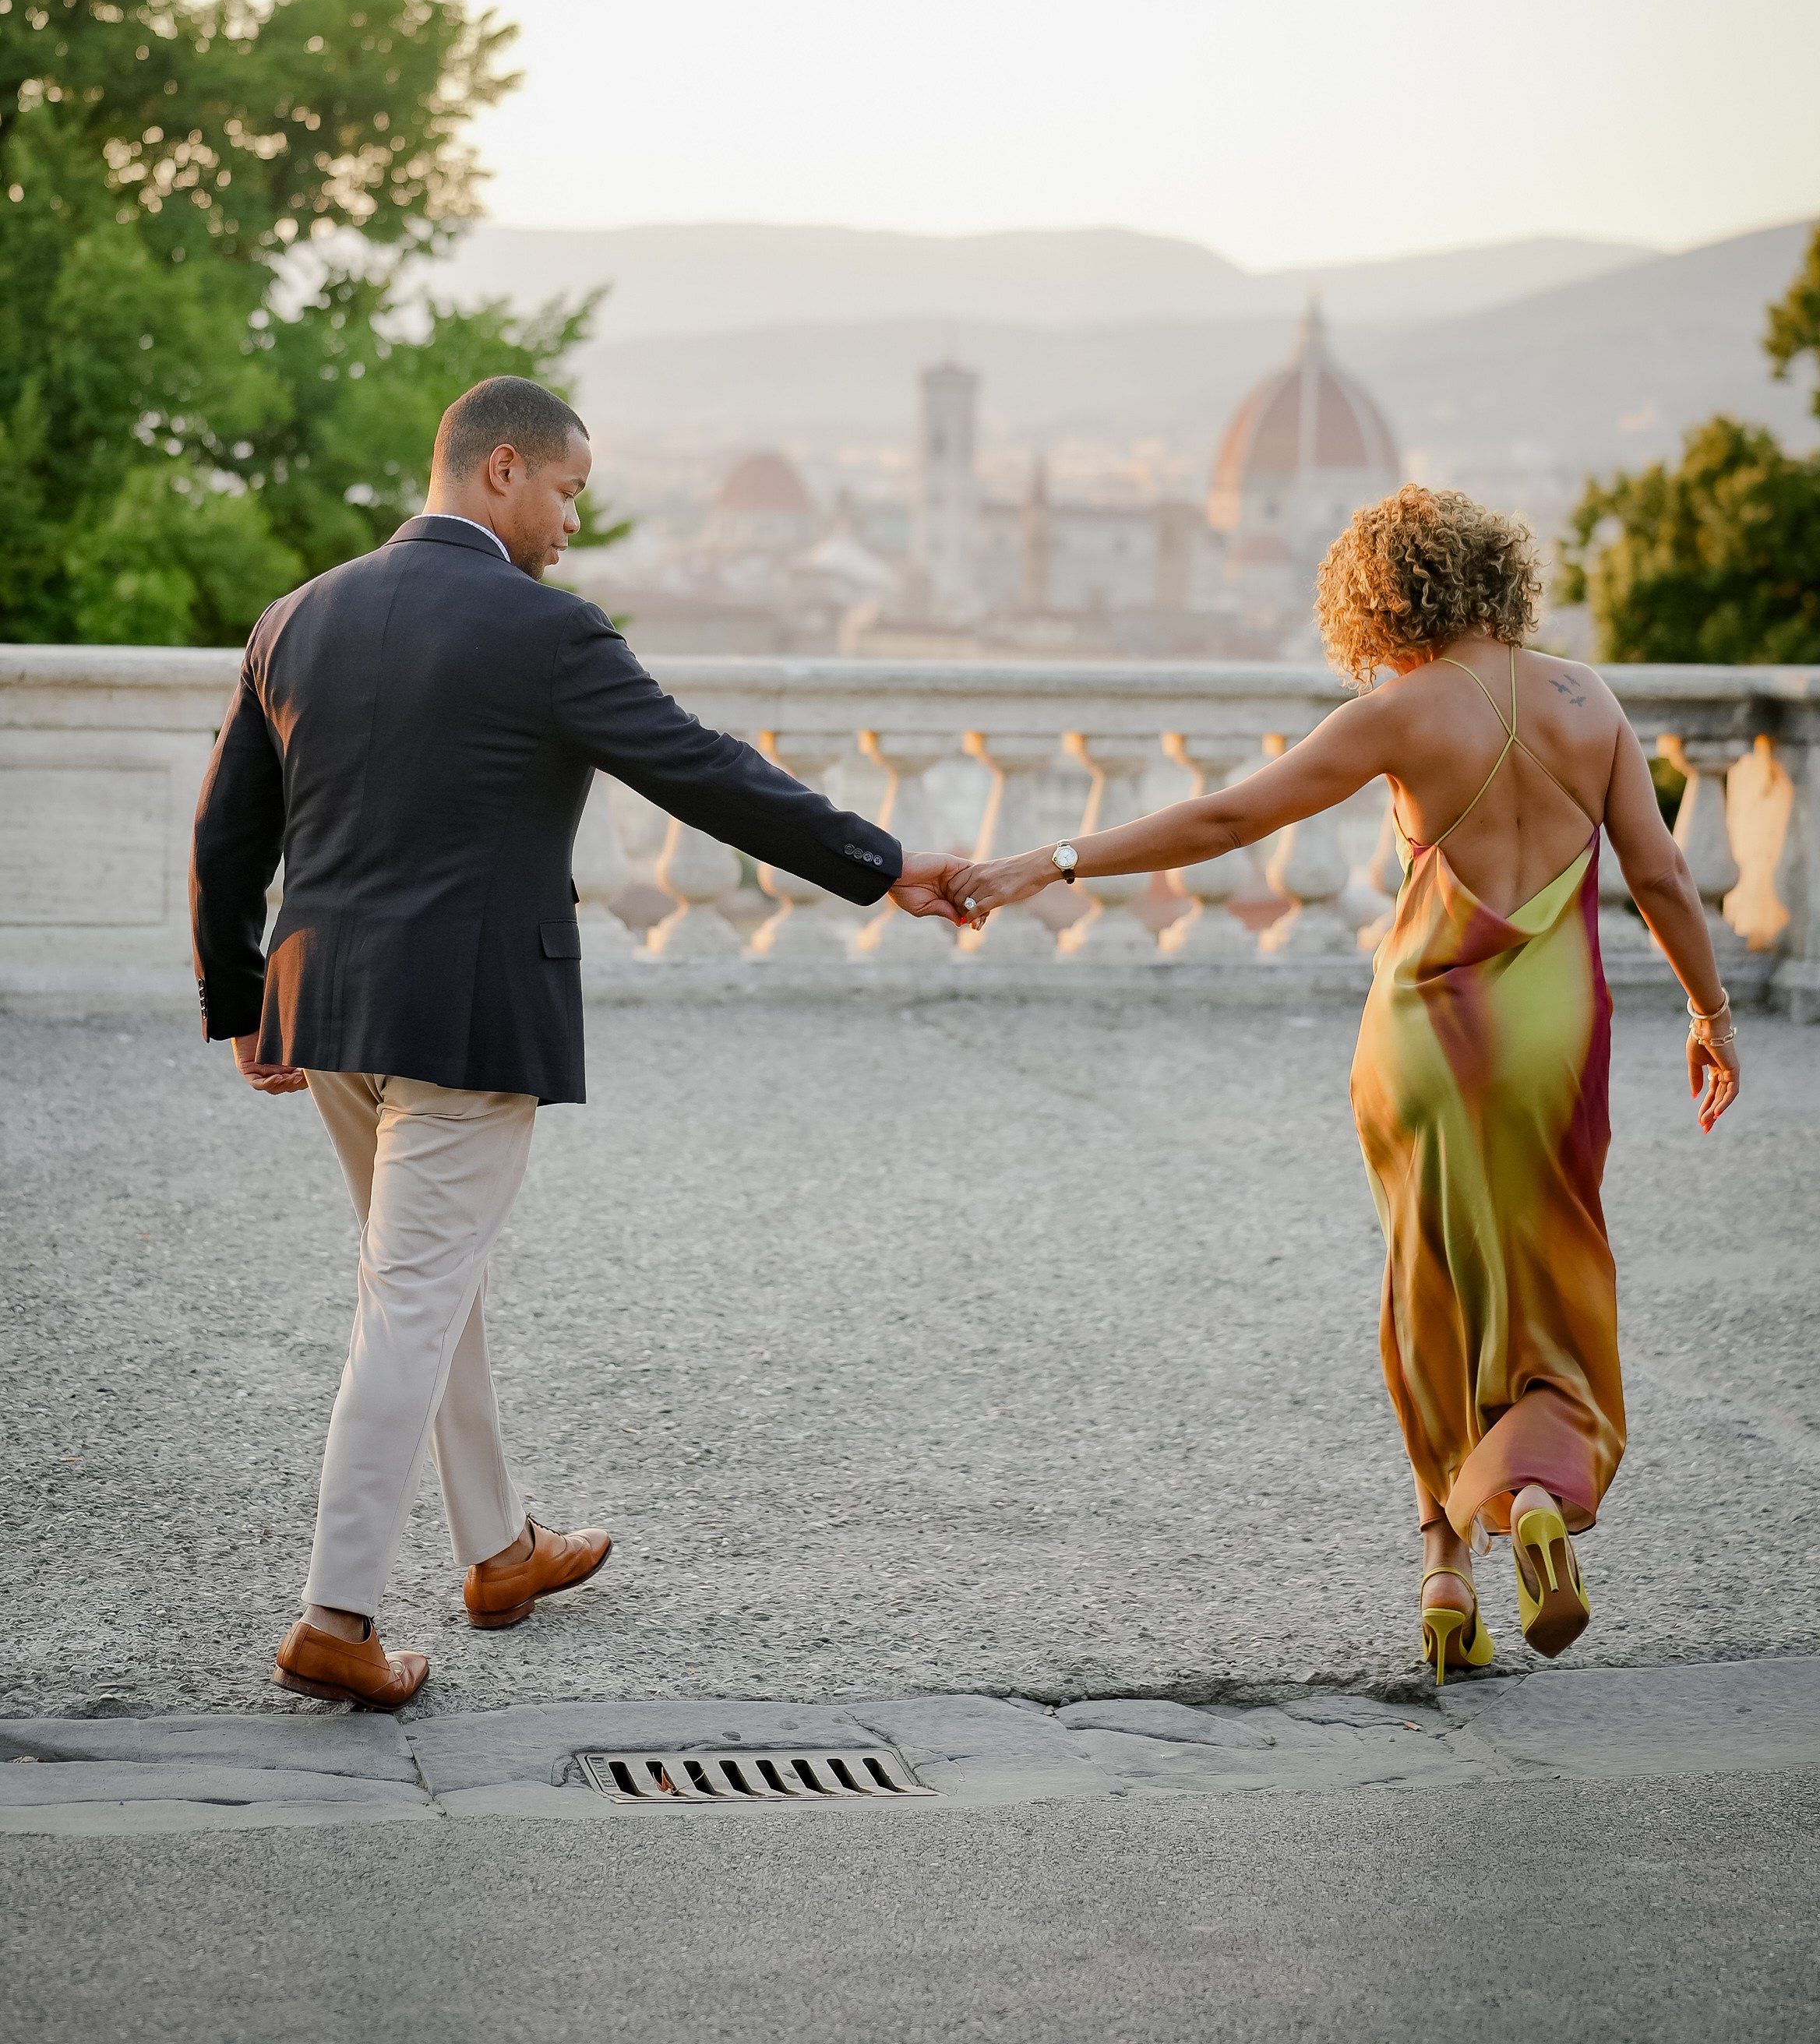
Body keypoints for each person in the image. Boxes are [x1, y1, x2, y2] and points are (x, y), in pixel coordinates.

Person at [191, 375, 968, 1710]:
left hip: (327, 1015)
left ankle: (497, 1554)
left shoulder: (294, 617)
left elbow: (224, 842)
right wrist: (882, 861)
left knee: (427, 1282)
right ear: (501, 470)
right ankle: (334, 1616)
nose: (570, 526)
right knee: (412, 1299)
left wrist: (238, 998)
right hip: (470, 1017)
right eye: (566, 493)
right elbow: (704, 770)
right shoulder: (544, 631)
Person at [945, 485, 1741, 1683]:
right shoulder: (1591, 698)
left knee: (1427, 1282)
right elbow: (1667, 877)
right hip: (1553, 1029)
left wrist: (1046, 862)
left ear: (1380, 596)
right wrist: (1711, 1012)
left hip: (1425, 1032)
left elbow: (1226, 818)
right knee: (1549, 1268)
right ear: (1494, 576)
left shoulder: (1397, 714)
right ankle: (1531, 1485)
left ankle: (1443, 1571)